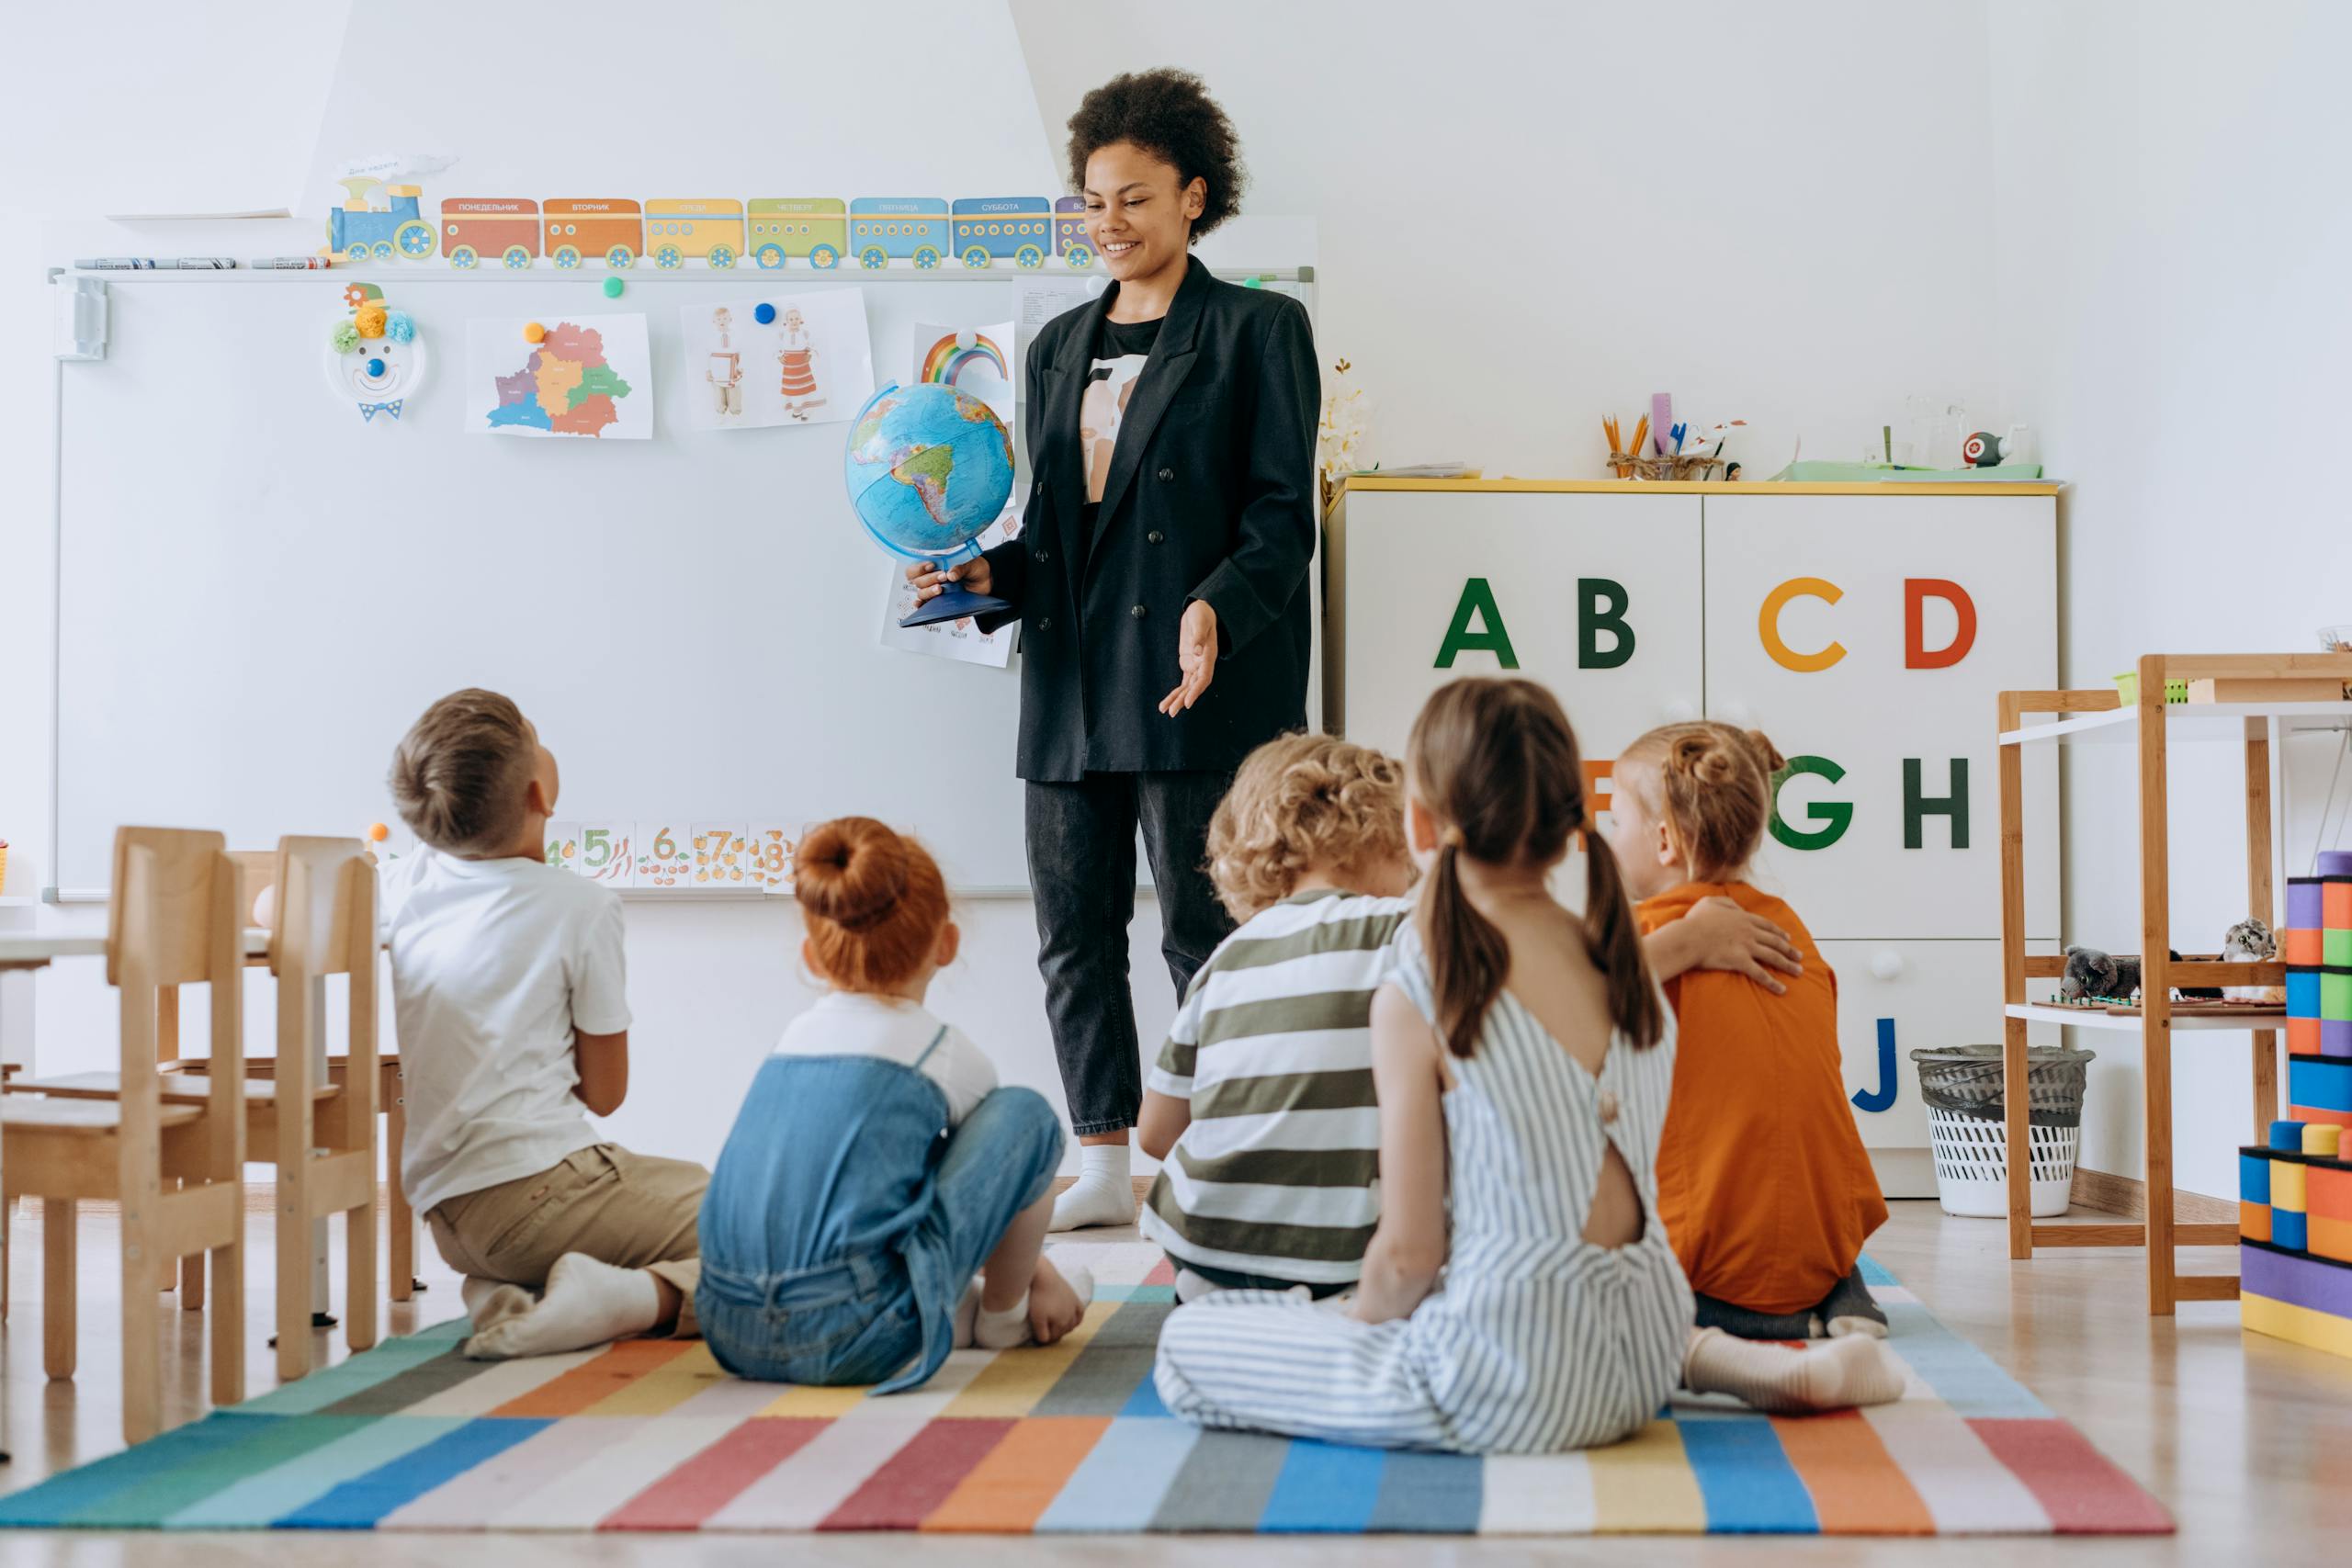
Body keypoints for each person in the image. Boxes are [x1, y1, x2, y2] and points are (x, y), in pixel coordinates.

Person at [1152, 679, 1905, 1453]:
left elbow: (1409, 1258)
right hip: (1642, 1352)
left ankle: (1719, 1364)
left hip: (1511, 1384)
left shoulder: (1423, 984)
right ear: (1568, 822)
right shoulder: (1623, 963)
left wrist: (1354, 1332)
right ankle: (1741, 1367)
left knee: (1193, 1342)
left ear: (1418, 822)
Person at [907, 69, 1321, 1231]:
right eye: (1092, 201)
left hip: (1200, 684)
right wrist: (988, 576)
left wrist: (1219, 605)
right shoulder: (1054, 348)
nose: (1108, 223)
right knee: (1072, 929)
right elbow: (1056, 535)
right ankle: (1101, 1160)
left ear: (1195, 196)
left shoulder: (1255, 330)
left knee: (1207, 933)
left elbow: (1283, 516)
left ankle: (1219, 1157)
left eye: (1132, 199)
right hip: (1071, 685)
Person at [695, 818, 1093, 1393]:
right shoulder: (943, 1054)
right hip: (850, 1332)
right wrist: (1037, 1271)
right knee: (1025, 1116)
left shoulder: (789, 1045)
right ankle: (1006, 1318)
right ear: (947, 942)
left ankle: (954, 1311)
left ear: (812, 956)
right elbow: (997, 1182)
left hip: (727, 1328)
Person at [381, 689, 702, 1359]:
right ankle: (625, 1299)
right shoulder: (581, 907)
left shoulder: (409, 882)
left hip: (450, 1219)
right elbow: (606, 1093)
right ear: (539, 792)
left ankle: (499, 1292)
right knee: (756, 1219)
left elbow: (274, 900)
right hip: (540, 1193)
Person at [1605, 722, 1891, 1338]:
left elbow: (1559, 1016)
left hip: (1709, 1262)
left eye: (1615, 823)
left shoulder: (1637, 935)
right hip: (1822, 1245)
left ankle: (1736, 1317)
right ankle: (1841, 1285)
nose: (1609, 839)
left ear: (1663, 841)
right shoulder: (1788, 926)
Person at [1136, 734, 1416, 1300]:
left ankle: (1226, 1310)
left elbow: (1156, 1132)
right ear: (1373, 834)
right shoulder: (1403, 929)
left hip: (1206, 1251)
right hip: (1348, 1259)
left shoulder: (1224, 962)